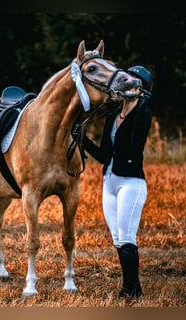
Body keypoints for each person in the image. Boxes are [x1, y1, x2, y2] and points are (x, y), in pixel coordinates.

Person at [78, 65, 153, 299]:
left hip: (131, 182)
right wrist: (83, 139)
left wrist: (139, 104)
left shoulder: (143, 114)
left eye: (133, 82)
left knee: (128, 238)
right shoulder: (112, 117)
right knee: (118, 239)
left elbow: (133, 143)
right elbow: (103, 156)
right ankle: (134, 287)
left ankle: (128, 290)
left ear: (141, 90)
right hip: (109, 181)